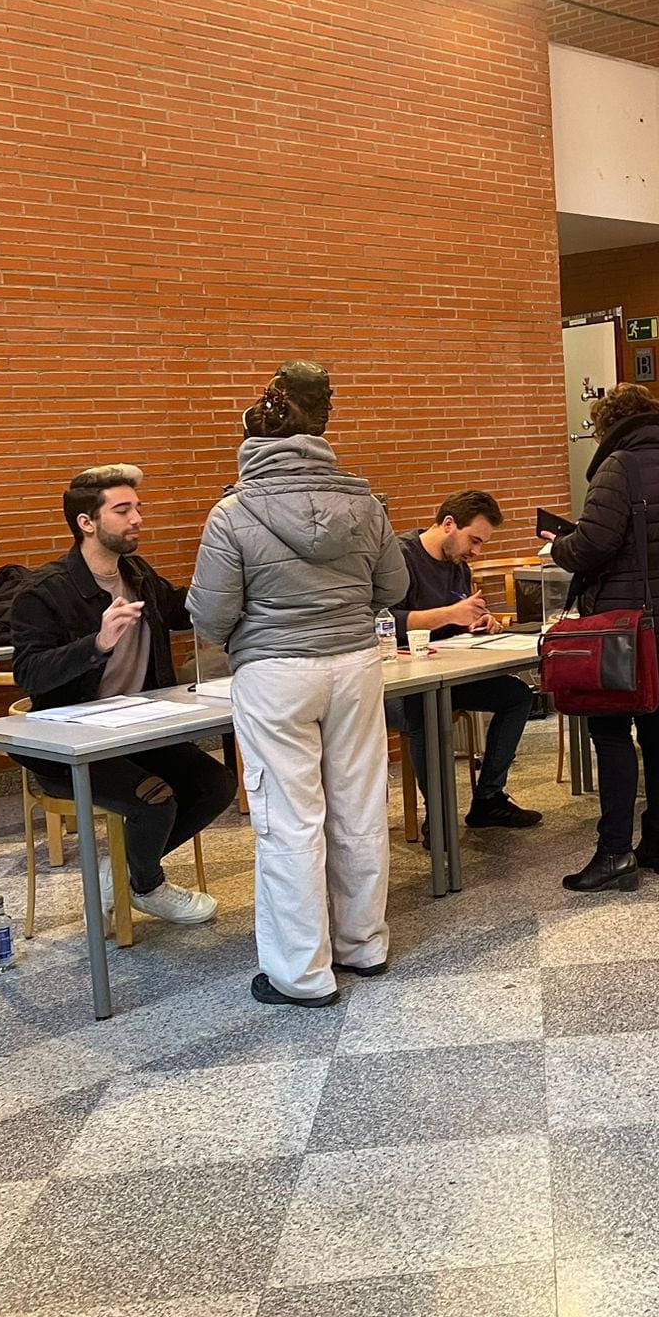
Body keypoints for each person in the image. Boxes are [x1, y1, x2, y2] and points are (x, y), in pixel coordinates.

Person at [187, 363, 409, 1008]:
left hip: (275, 674)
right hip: (355, 665)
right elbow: (393, 590)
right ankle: (363, 945)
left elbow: (210, 614)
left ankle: (300, 973)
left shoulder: (232, 514)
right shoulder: (365, 505)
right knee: (360, 806)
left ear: (253, 443)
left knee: (289, 822)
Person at [9, 464, 231, 926]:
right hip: (73, 745)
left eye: (138, 509)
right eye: (123, 510)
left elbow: (179, 613)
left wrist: (232, 588)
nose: (137, 519)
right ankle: (147, 884)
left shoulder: (137, 573)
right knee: (156, 797)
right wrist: (96, 644)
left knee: (218, 784)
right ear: (86, 523)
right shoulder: (43, 592)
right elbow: (29, 673)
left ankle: (130, 869)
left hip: (139, 731)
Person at [549, 384, 659, 891]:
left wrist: (560, 546)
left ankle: (614, 851)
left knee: (611, 731)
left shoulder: (620, 467)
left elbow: (594, 544)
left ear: (610, 424)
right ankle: (657, 840)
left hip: (624, 623)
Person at [392, 491, 542, 834]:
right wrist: (449, 614)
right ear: (448, 525)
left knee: (517, 696)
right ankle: (440, 814)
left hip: (448, 670)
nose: (476, 551)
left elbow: (458, 614)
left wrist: (476, 620)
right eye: (474, 540)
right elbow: (383, 621)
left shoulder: (458, 564)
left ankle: (489, 798)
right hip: (404, 680)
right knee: (425, 706)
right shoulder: (400, 558)